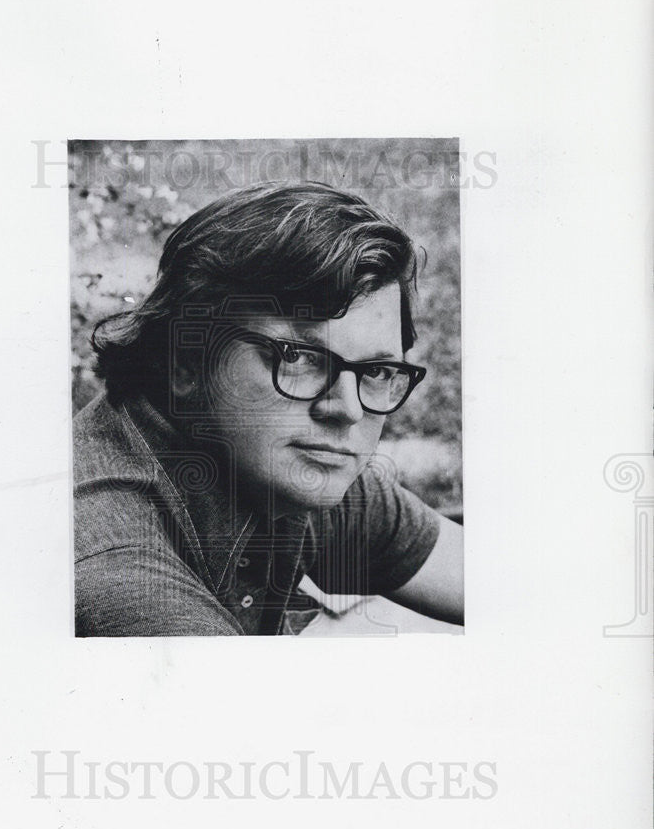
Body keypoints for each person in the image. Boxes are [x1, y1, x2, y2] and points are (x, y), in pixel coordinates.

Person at [73, 182, 463, 636]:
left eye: (375, 371)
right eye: (297, 358)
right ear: (186, 364)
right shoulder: (119, 568)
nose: (348, 410)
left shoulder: (290, 463)